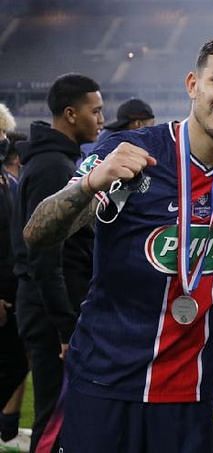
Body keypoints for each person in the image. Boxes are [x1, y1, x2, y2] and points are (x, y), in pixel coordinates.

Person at [22, 35, 213, 453]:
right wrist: (89, 184)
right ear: (192, 85)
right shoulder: (132, 152)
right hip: (105, 380)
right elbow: (38, 233)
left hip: (189, 394)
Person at [10, 73, 103, 453]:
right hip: (51, 313)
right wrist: (66, 327)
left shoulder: (59, 161)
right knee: (54, 417)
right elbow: (46, 258)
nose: (101, 118)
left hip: (50, 307)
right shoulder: (54, 168)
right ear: (70, 114)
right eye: (94, 111)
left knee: (63, 416)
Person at [0, 103, 29, 444]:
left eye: (5, 134)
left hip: (13, 293)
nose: (5, 141)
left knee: (17, 364)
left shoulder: (9, 182)